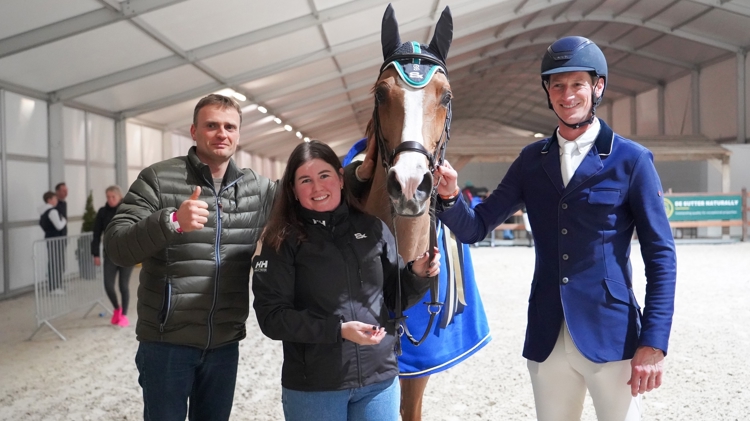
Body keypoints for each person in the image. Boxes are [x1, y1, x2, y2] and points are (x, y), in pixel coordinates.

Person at [434, 36, 677, 421]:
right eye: (557, 85)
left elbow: (661, 256)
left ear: (597, 87)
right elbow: (476, 227)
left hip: (611, 335)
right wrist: (449, 197)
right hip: (548, 335)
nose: (567, 95)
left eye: (577, 83)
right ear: (547, 91)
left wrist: (655, 342)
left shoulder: (631, 160)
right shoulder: (532, 160)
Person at [104, 94, 277, 421]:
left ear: (239, 135)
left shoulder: (259, 189)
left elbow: (311, 193)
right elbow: (117, 246)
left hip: (224, 344)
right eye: (211, 125)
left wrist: (360, 172)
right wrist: (171, 223)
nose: (221, 133)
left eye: (229, 127)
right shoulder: (158, 179)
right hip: (167, 343)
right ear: (193, 131)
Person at [252, 140, 440, 421]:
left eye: (324, 176)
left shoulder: (373, 228)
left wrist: (417, 274)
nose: (317, 188)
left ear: (341, 178)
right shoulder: (280, 241)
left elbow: (394, 297)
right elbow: (272, 318)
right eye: (306, 180)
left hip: (379, 381)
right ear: (292, 189)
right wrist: (337, 330)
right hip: (316, 387)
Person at [91, 185, 133, 327]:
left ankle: (124, 315)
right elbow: (96, 234)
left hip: (127, 254)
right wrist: (95, 253)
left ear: (119, 197)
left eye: (112, 197)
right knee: (108, 285)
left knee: (123, 286)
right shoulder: (102, 212)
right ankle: (117, 308)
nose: (110, 200)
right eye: (108, 197)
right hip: (110, 254)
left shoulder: (127, 210)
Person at [39, 191, 67, 294]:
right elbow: (59, 225)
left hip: (50, 238)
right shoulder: (52, 211)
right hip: (55, 239)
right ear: (49, 200)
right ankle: (54, 287)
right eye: (54, 199)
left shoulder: (43, 212)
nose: (56, 201)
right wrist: (64, 220)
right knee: (56, 262)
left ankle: (55, 284)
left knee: (53, 261)